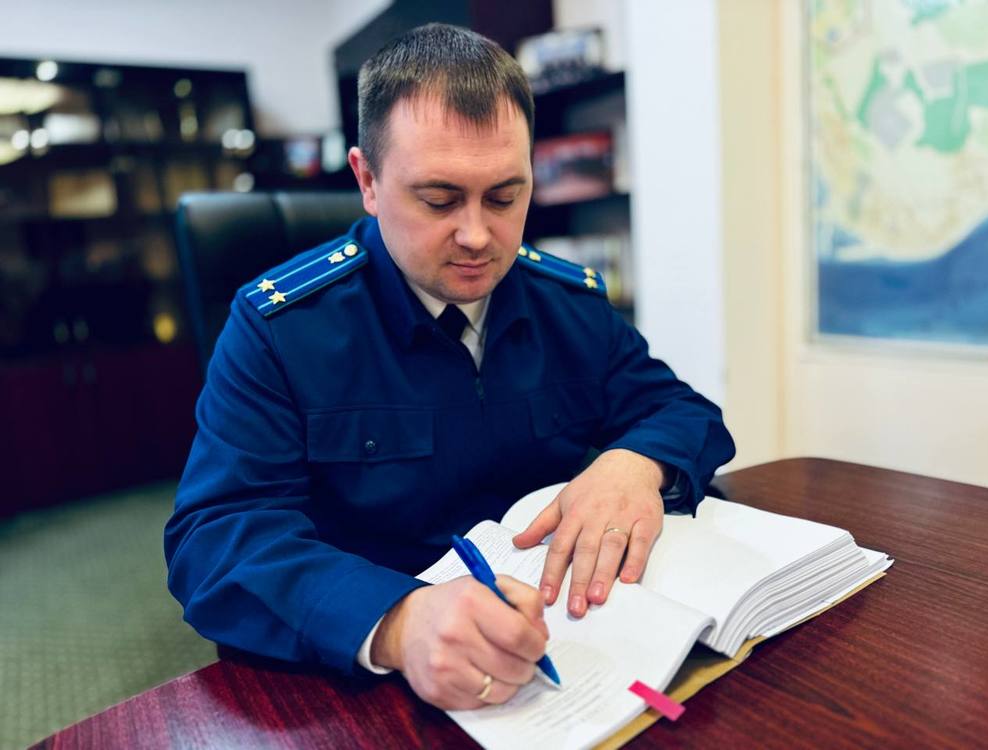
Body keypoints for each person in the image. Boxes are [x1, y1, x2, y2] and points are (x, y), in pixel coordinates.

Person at [165, 23, 735, 711]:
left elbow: (684, 412)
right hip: (364, 684)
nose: (477, 236)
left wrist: (635, 464)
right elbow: (216, 540)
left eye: (505, 197)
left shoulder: (566, 303)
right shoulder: (280, 328)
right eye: (439, 200)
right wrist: (397, 621)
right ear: (368, 181)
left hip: (563, 647)